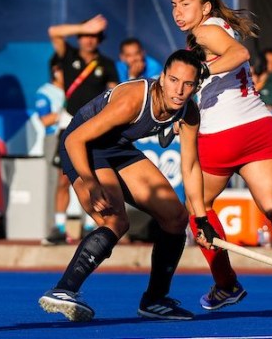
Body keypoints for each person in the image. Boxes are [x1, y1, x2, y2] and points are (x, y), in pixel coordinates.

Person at [171, 0, 272, 315]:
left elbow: (239, 54)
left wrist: (199, 72)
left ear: (205, 6)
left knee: (198, 204)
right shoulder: (220, 25)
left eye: (185, 4)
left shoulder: (204, 32)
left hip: (223, 133)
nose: (178, 12)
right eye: (174, 5)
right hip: (258, 126)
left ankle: (226, 283)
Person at [38, 49, 212, 322]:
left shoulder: (189, 112)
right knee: (116, 221)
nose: (179, 90)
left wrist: (201, 218)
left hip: (118, 148)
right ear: (162, 78)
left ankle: (155, 300)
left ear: (196, 86)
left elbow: (190, 167)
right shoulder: (133, 100)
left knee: (177, 218)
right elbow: (75, 141)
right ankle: (63, 290)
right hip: (85, 145)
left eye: (188, 84)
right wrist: (91, 183)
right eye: (174, 80)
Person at [44, 15, 119, 245]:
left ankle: (92, 226)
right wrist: (83, 25)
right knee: (64, 179)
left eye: (94, 36)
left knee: (95, 177)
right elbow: (53, 30)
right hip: (69, 125)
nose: (89, 40)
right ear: (79, 37)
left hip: (95, 128)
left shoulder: (106, 64)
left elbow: (116, 94)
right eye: (85, 35)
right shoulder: (68, 56)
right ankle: (59, 227)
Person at [29, 56, 66, 156]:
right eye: (66, 70)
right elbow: (44, 121)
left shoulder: (75, 90)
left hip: (75, 136)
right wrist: (65, 113)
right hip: (54, 138)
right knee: (55, 171)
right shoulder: (45, 92)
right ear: (55, 71)